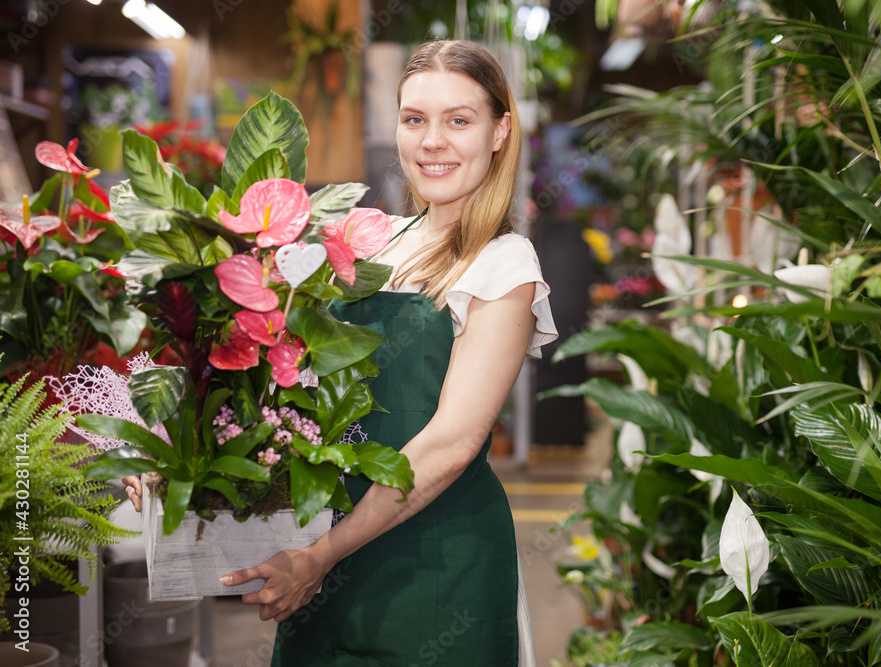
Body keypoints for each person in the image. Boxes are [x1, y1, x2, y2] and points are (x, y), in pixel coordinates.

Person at [124, 39, 557, 664]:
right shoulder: (374, 241)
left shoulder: (502, 262)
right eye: (415, 120)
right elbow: (278, 387)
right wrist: (175, 454)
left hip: (433, 567)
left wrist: (320, 556)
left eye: (459, 120)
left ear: (500, 131)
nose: (432, 141)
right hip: (321, 555)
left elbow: (450, 445)